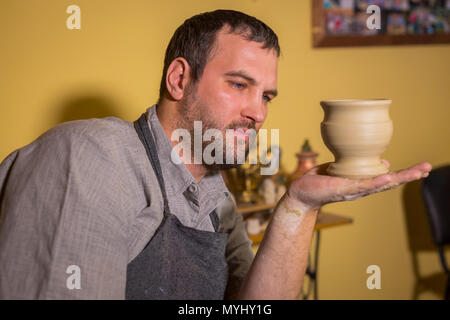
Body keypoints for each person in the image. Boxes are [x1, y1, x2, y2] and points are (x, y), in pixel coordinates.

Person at [0, 9, 431, 300]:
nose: (258, 112)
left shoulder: (213, 194)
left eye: (267, 96)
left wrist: (299, 205)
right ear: (179, 79)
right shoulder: (92, 157)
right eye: (239, 85)